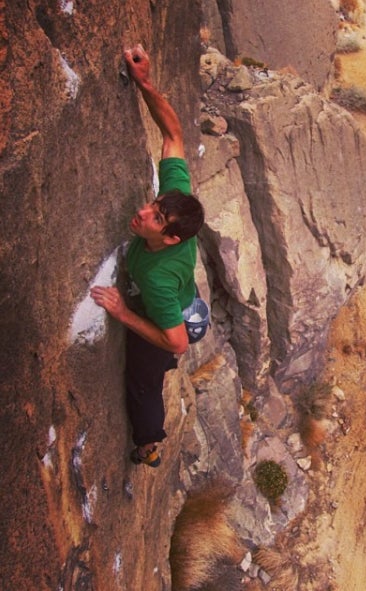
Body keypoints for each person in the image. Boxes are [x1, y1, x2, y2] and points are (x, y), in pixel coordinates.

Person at [91, 45, 204, 468]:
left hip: (172, 320)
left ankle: (149, 445)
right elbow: (173, 135)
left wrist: (123, 314)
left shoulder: (157, 280)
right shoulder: (179, 206)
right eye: (152, 206)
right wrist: (145, 84)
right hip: (185, 301)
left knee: (143, 379)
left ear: (172, 237)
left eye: (155, 218)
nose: (142, 213)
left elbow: (175, 341)